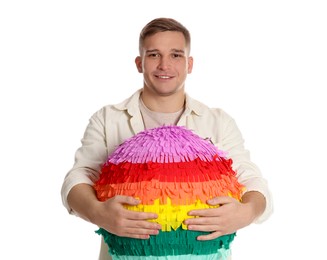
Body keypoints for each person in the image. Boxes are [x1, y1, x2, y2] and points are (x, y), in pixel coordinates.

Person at [61, 17, 273, 260]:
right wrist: (98, 212)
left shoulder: (218, 121)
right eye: (153, 55)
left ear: (189, 63)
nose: (164, 65)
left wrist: (247, 212)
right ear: (139, 63)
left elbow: (252, 179)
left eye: (175, 55)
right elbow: (78, 177)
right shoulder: (108, 118)